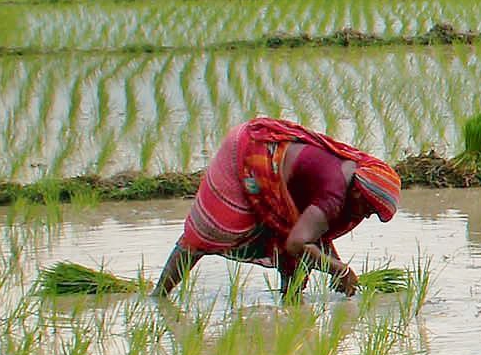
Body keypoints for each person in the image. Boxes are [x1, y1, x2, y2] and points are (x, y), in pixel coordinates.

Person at [157, 117, 401, 299]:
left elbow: (312, 233)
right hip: (250, 154)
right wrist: (340, 269)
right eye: (369, 208)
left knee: (293, 235)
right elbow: (297, 243)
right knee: (213, 230)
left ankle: (291, 302)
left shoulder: (348, 175)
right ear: (357, 191)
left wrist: (335, 267)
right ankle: (159, 296)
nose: (366, 215)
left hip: (274, 165)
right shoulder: (334, 195)